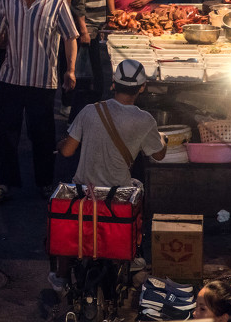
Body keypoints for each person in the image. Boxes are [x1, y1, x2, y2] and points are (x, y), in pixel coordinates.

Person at [50, 60, 164, 288]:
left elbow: (68, 150)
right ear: (142, 88)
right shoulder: (145, 120)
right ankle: (131, 253)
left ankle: (62, 276)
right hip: (118, 193)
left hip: (84, 190)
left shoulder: (90, 111)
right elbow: (158, 155)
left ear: (113, 84)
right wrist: (162, 139)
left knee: (66, 220)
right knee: (138, 188)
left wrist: (62, 142)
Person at [0, 0, 79, 202]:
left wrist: (70, 69)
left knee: (43, 136)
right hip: (11, 78)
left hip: (41, 82)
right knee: (7, 135)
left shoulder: (57, 2)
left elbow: (71, 37)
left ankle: (45, 183)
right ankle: (5, 183)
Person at [70, 0, 113, 114]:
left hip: (94, 32)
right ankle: (78, 119)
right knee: (88, 82)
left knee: (95, 80)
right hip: (88, 34)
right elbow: (78, 4)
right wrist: (84, 31)